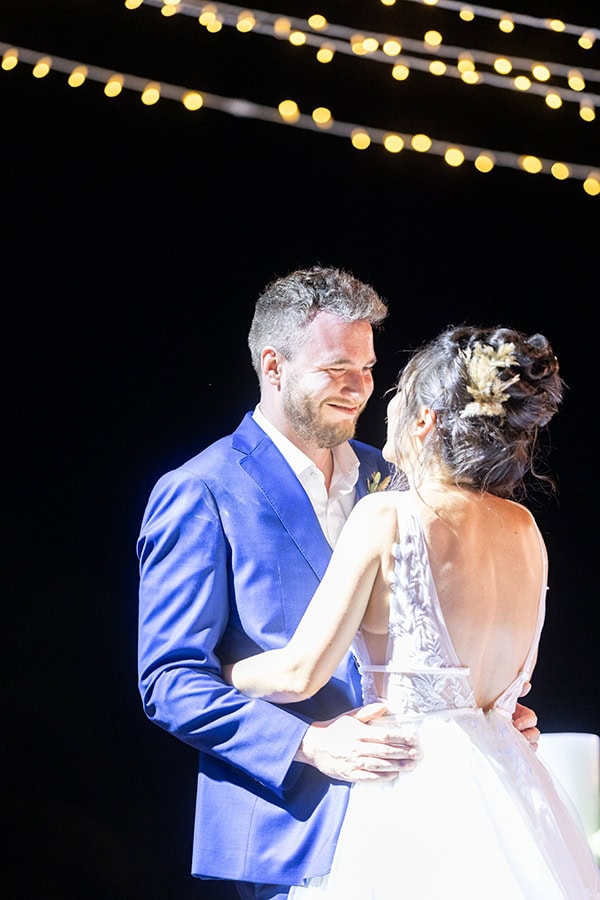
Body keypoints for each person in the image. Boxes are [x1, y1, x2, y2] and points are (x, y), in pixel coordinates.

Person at [137, 269, 541, 900]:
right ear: (274, 366)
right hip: (292, 823)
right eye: (336, 369)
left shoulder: (399, 479)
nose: (359, 388)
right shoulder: (202, 490)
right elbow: (169, 680)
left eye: (368, 368)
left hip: (428, 816)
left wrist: (483, 709)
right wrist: (307, 743)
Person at [224, 323, 600, 899]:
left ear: (424, 420)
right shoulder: (526, 530)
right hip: (511, 792)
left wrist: (220, 670)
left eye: (397, 391)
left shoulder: (388, 515)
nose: (386, 401)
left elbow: (299, 674)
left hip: (414, 795)